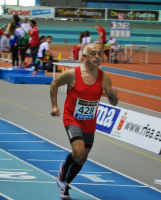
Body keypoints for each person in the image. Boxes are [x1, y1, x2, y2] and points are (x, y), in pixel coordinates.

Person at [50, 43, 118, 200]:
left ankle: (65, 185)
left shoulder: (105, 78)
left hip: (89, 121)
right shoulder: (73, 74)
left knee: (83, 158)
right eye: (93, 54)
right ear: (85, 57)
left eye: (99, 54)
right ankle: (62, 172)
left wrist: (114, 97)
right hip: (72, 117)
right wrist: (54, 105)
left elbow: (113, 102)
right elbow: (54, 84)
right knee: (78, 152)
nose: (96, 57)